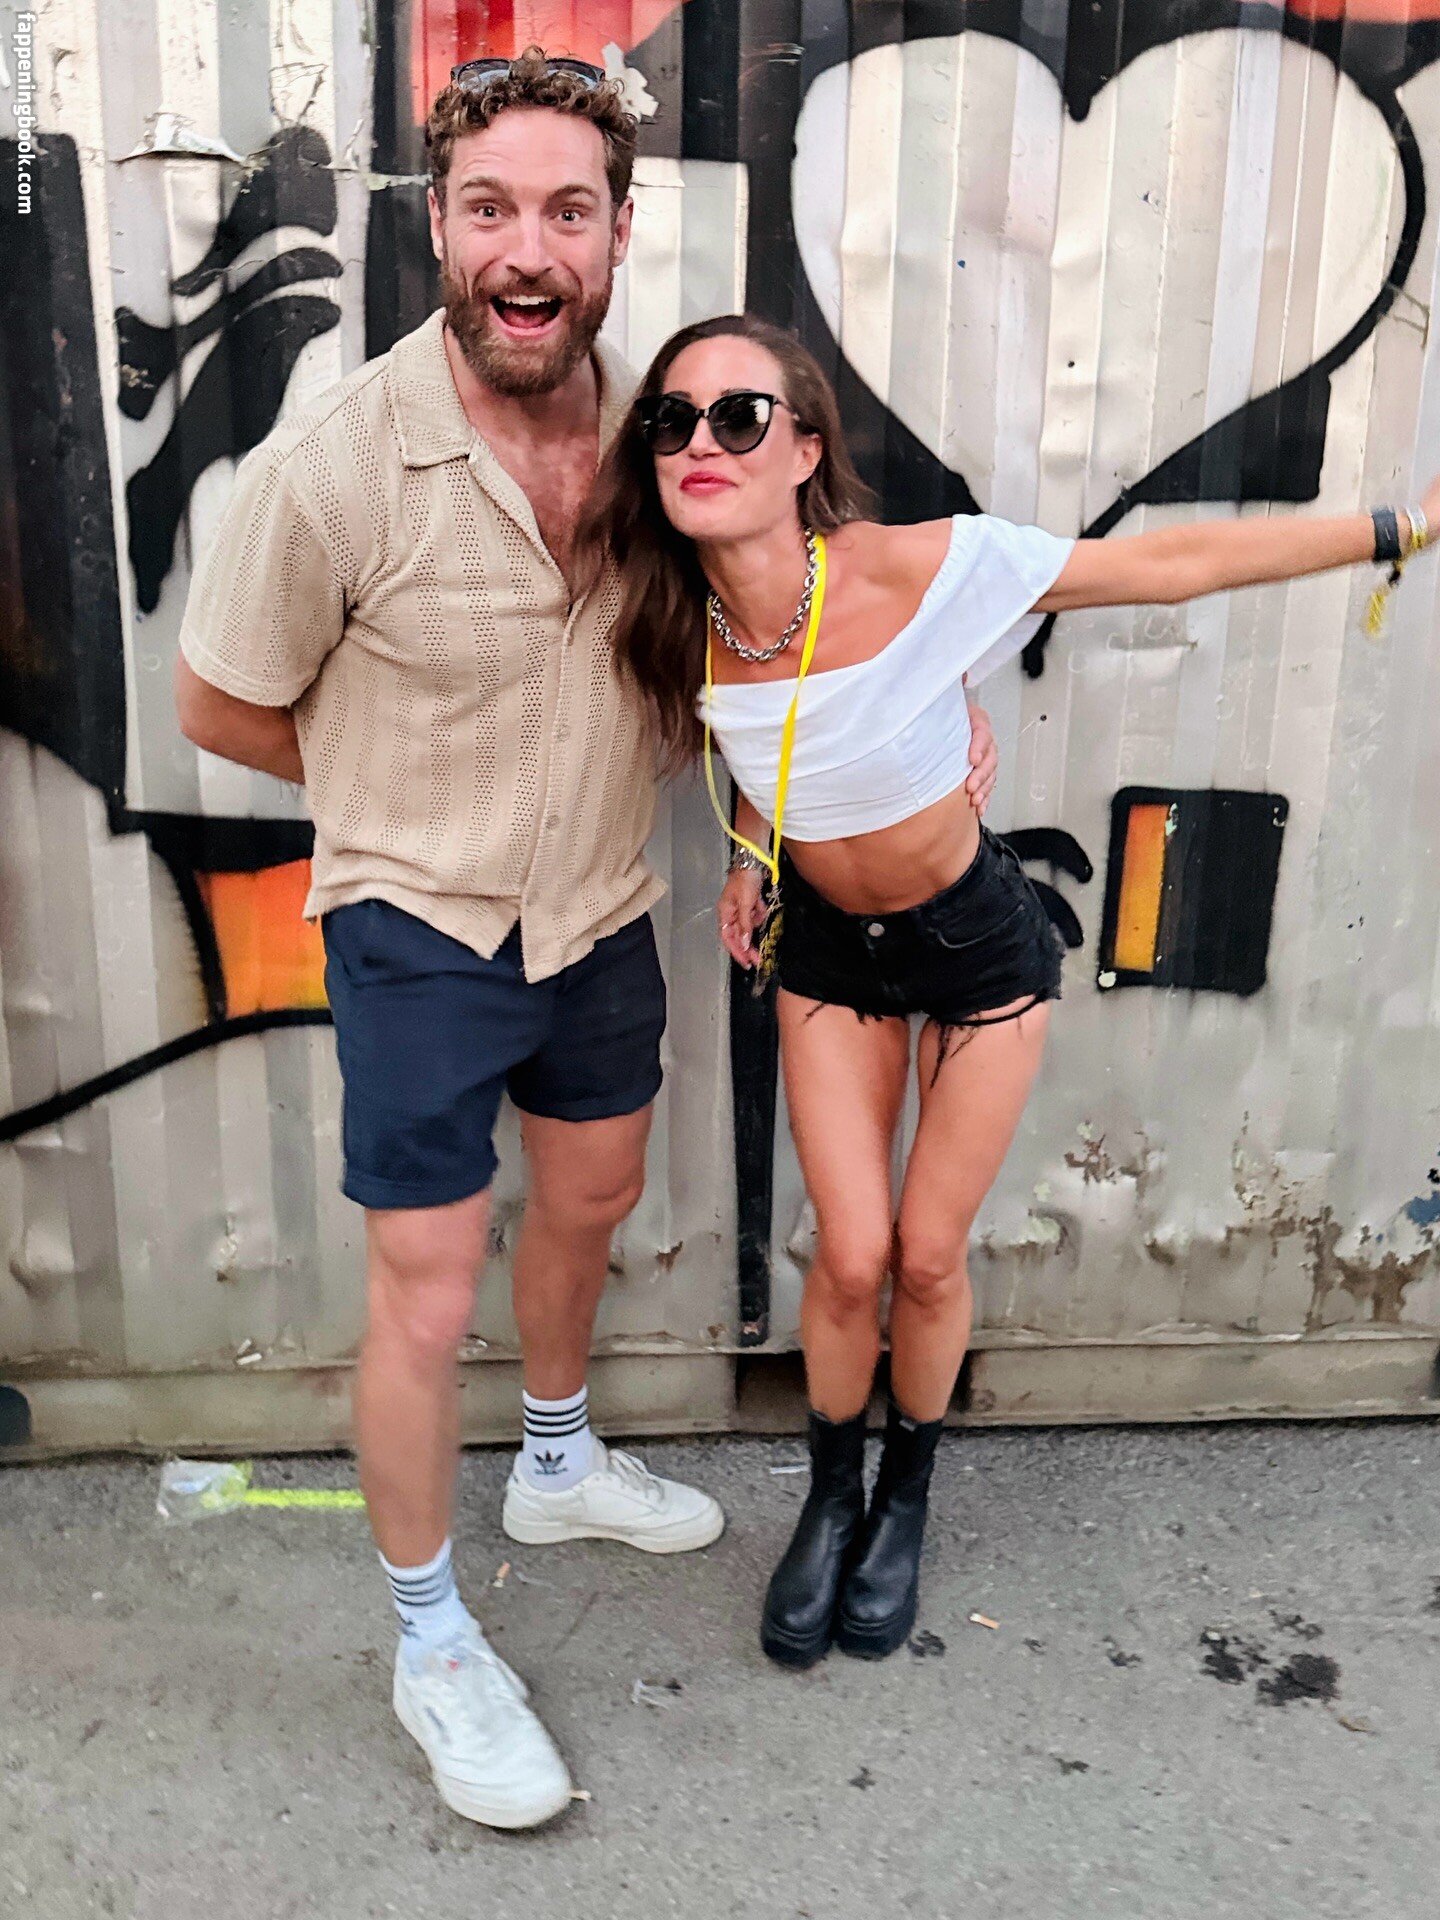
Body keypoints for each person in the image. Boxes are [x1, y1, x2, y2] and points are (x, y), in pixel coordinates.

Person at [172, 48, 1002, 1826]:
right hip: (418, 922)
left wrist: (923, 715)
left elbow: (801, 607)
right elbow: (219, 703)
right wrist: (397, 787)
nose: (526, 248)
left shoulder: (667, 445)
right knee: (423, 1287)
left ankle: (553, 1461)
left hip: (602, 918)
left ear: (620, 234)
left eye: (567, 209)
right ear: (441, 228)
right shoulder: (340, 467)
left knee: (593, 1198)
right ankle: (429, 1642)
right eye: (490, 209)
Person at [581, 310, 1440, 1669]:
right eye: (671, 420)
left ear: (803, 450)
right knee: (848, 1255)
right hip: (830, 954)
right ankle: (831, 1500)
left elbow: (1170, 567)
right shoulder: (676, 620)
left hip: (975, 947)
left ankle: (906, 1500)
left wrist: (1396, 528)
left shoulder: (925, 569)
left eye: (739, 416)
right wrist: (753, 852)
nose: (701, 442)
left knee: (928, 1255)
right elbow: (763, 748)